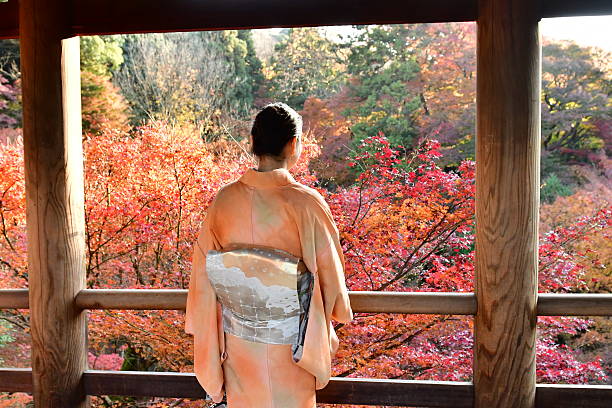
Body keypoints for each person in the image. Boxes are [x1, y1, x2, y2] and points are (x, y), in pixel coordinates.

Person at [185, 102, 354, 407]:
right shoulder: (306, 203)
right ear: (293, 144)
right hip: (292, 350)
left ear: (253, 142)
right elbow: (332, 282)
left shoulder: (224, 201)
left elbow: (203, 277)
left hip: (239, 346)